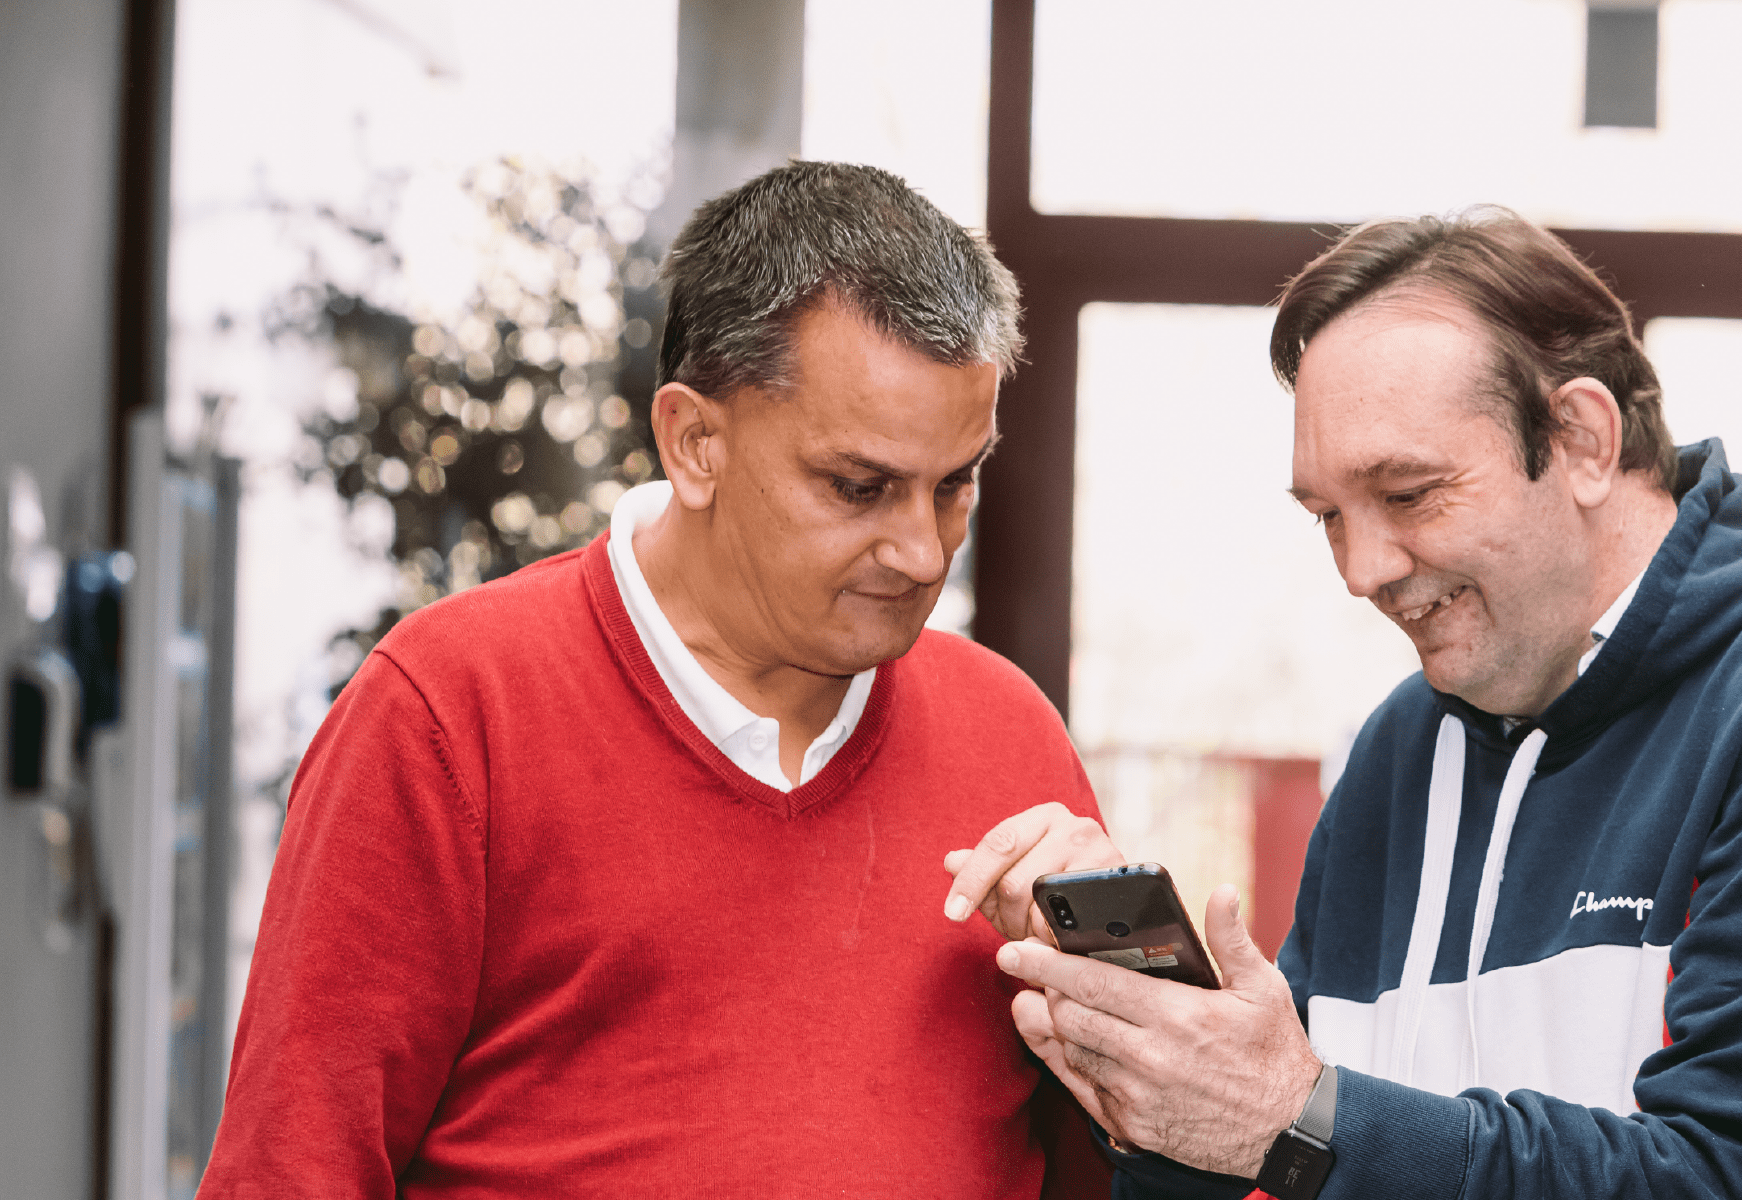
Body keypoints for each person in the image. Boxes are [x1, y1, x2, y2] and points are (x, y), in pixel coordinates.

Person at [965, 208, 1742, 1200]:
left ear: (1584, 439)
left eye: (1408, 494)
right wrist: (1166, 1081)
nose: (1362, 570)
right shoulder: (1397, 755)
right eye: (1329, 515)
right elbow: (1304, 1169)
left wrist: (1302, 1117)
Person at [201, 162, 1120, 1198]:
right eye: (859, 487)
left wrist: (1136, 977)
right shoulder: (447, 716)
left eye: (956, 484)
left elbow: (1122, 1172)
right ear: (695, 443)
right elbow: (292, 1170)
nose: (920, 550)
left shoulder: (1011, 736)